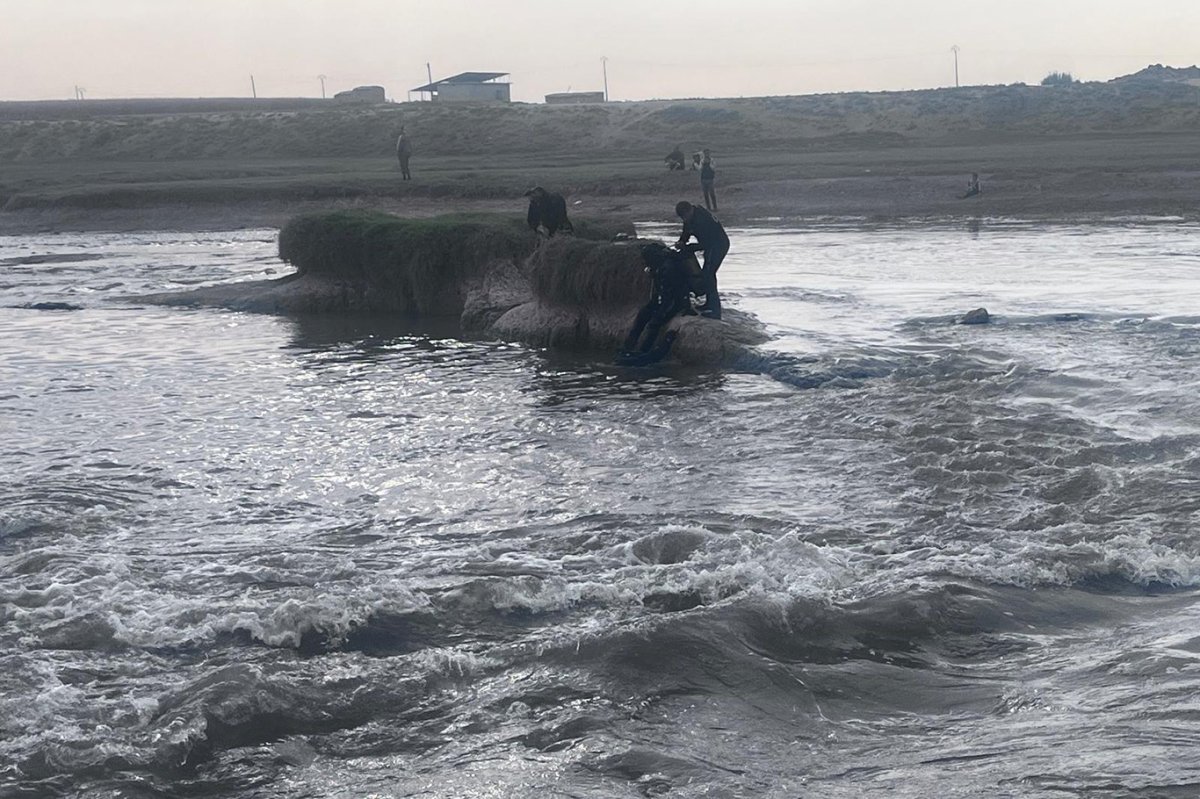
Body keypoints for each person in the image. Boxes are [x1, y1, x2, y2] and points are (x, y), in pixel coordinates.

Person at [618, 243, 695, 362]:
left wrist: (660, 314)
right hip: (663, 300)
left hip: (677, 303)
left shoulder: (669, 269)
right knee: (642, 316)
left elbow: (671, 297)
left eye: (646, 259)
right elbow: (659, 292)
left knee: (654, 324)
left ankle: (644, 352)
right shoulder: (658, 267)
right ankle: (628, 348)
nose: (645, 263)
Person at [675, 200, 729, 319]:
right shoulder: (691, 216)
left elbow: (706, 244)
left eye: (685, 217)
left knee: (708, 274)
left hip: (718, 245)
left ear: (689, 211)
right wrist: (681, 242)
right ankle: (709, 303)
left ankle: (715, 310)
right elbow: (686, 231)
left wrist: (690, 247)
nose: (684, 220)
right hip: (711, 245)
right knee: (708, 273)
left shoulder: (701, 220)